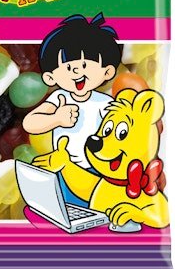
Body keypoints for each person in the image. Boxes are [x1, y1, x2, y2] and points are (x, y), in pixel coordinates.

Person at [23, 13, 121, 179]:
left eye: (84, 65)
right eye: (67, 68)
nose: (76, 71)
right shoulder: (60, 98)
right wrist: (56, 118)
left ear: (108, 71)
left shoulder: (105, 103)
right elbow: (29, 123)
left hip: (99, 169)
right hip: (64, 168)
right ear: (50, 77)